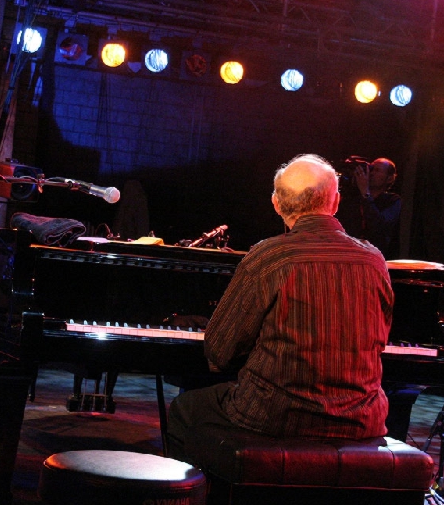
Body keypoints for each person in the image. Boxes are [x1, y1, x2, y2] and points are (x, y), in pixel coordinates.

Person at [166, 154, 394, 462]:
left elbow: (219, 350)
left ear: (277, 204)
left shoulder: (268, 256)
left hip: (277, 417)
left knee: (184, 408)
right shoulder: (374, 260)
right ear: (336, 201)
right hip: (362, 420)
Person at [338, 156, 401, 259]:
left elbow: (378, 226)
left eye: (377, 170)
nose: (371, 173)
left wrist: (365, 193)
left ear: (389, 178)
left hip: (374, 260)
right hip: (349, 257)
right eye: (371, 169)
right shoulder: (352, 198)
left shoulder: (392, 200)